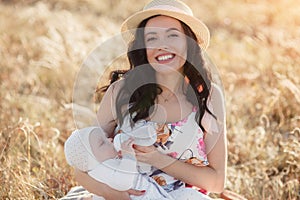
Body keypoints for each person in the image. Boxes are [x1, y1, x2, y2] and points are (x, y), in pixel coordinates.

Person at [71, 0, 227, 199]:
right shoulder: (122, 91)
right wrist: (115, 194)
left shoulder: (209, 97)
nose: (162, 45)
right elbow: (82, 165)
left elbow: (216, 182)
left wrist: (157, 159)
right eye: (152, 38)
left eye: (172, 35)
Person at [64, 126, 174, 200]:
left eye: (106, 137)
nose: (110, 140)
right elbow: (123, 183)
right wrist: (128, 156)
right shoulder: (100, 170)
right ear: (90, 159)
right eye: (102, 143)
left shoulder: (104, 164)